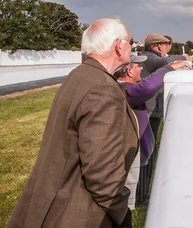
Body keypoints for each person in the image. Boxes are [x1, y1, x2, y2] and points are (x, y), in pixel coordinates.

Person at [9, 18, 138, 228]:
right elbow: (103, 176)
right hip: (75, 212)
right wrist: (122, 213)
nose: (131, 47)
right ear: (119, 45)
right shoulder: (102, 88)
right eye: (130, 41)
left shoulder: (82, 74)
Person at [115, 54, 190, 209]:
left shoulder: (129, 88)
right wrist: (170, 68)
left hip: (136, 150)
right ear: (129, 72)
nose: (141, 69)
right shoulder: (126, 90)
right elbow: (148, 87)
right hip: (131, 153)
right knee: (126, 199)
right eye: (138, 67)